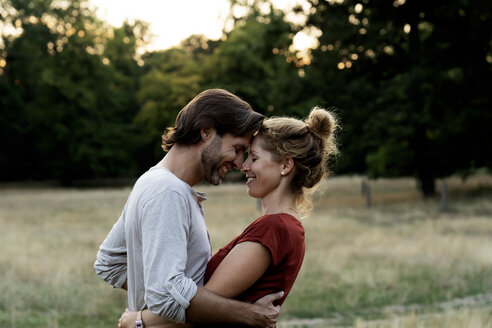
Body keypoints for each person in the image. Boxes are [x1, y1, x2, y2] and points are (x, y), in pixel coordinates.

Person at [118, 107, 339, 328]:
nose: (243, 166)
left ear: (285, 165)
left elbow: (201, 308)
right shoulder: (283, 226)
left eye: (254, 157)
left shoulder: (274, 228)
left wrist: (138, 321)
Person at [94, 88, 284, 328]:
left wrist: (149, 304)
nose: (239, 163)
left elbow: (109, 263)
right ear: (206, 131)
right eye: (236, 149)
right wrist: (248, 314)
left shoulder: (154, 181)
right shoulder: (168, 191)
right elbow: (164, 292)